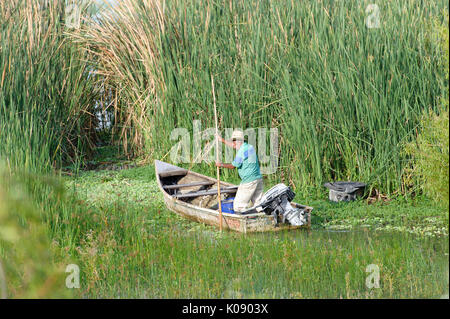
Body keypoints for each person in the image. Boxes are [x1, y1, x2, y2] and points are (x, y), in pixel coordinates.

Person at [215, 130, 264, 213]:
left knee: (238, 206)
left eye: (233, 142)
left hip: (249, 181)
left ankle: (243, 220)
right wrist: (222, 140)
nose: (233, 144)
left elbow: (233, 166)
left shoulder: (241, 152)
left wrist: (221, 164)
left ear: (238, 141)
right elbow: (234, 146)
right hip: (258, 179)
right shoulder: (249, 147)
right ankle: (262, 216)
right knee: (259, 204)